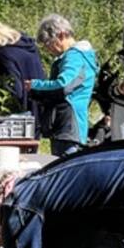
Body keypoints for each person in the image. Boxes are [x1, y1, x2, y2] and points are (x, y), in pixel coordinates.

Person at [25, 14, 99, 155]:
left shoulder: (74, 56)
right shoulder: (78, 56)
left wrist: (35, 86)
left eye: (49, 43)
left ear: (61, 35)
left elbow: (63, 86)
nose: (48, 49)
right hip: (68, 125)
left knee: (66, 165)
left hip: (69, 125)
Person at [0, 15, 45, 112]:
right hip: (41, 107)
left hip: (25, 112)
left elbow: (12, 91)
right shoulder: (24, 44)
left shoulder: (3, 55)